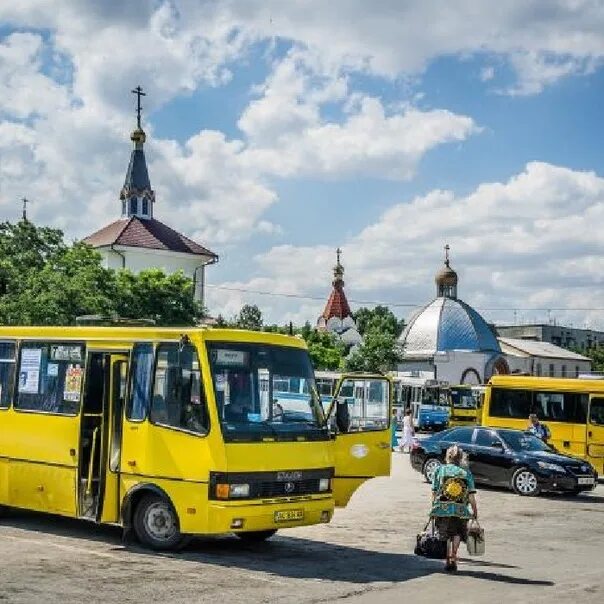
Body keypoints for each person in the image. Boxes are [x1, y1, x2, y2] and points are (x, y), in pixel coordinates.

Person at [430, 445, 478, 572]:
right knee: (456, 533)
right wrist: (475, 511)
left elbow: (434, 492)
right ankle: (454, 557)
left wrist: (433, 508)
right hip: (460, 510)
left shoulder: (440, 470)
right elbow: (471, 495)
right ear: (461, 458)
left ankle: (447, 559)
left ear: (447, 457)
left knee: (445, 534)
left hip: (442, 509)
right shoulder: (466, 473)